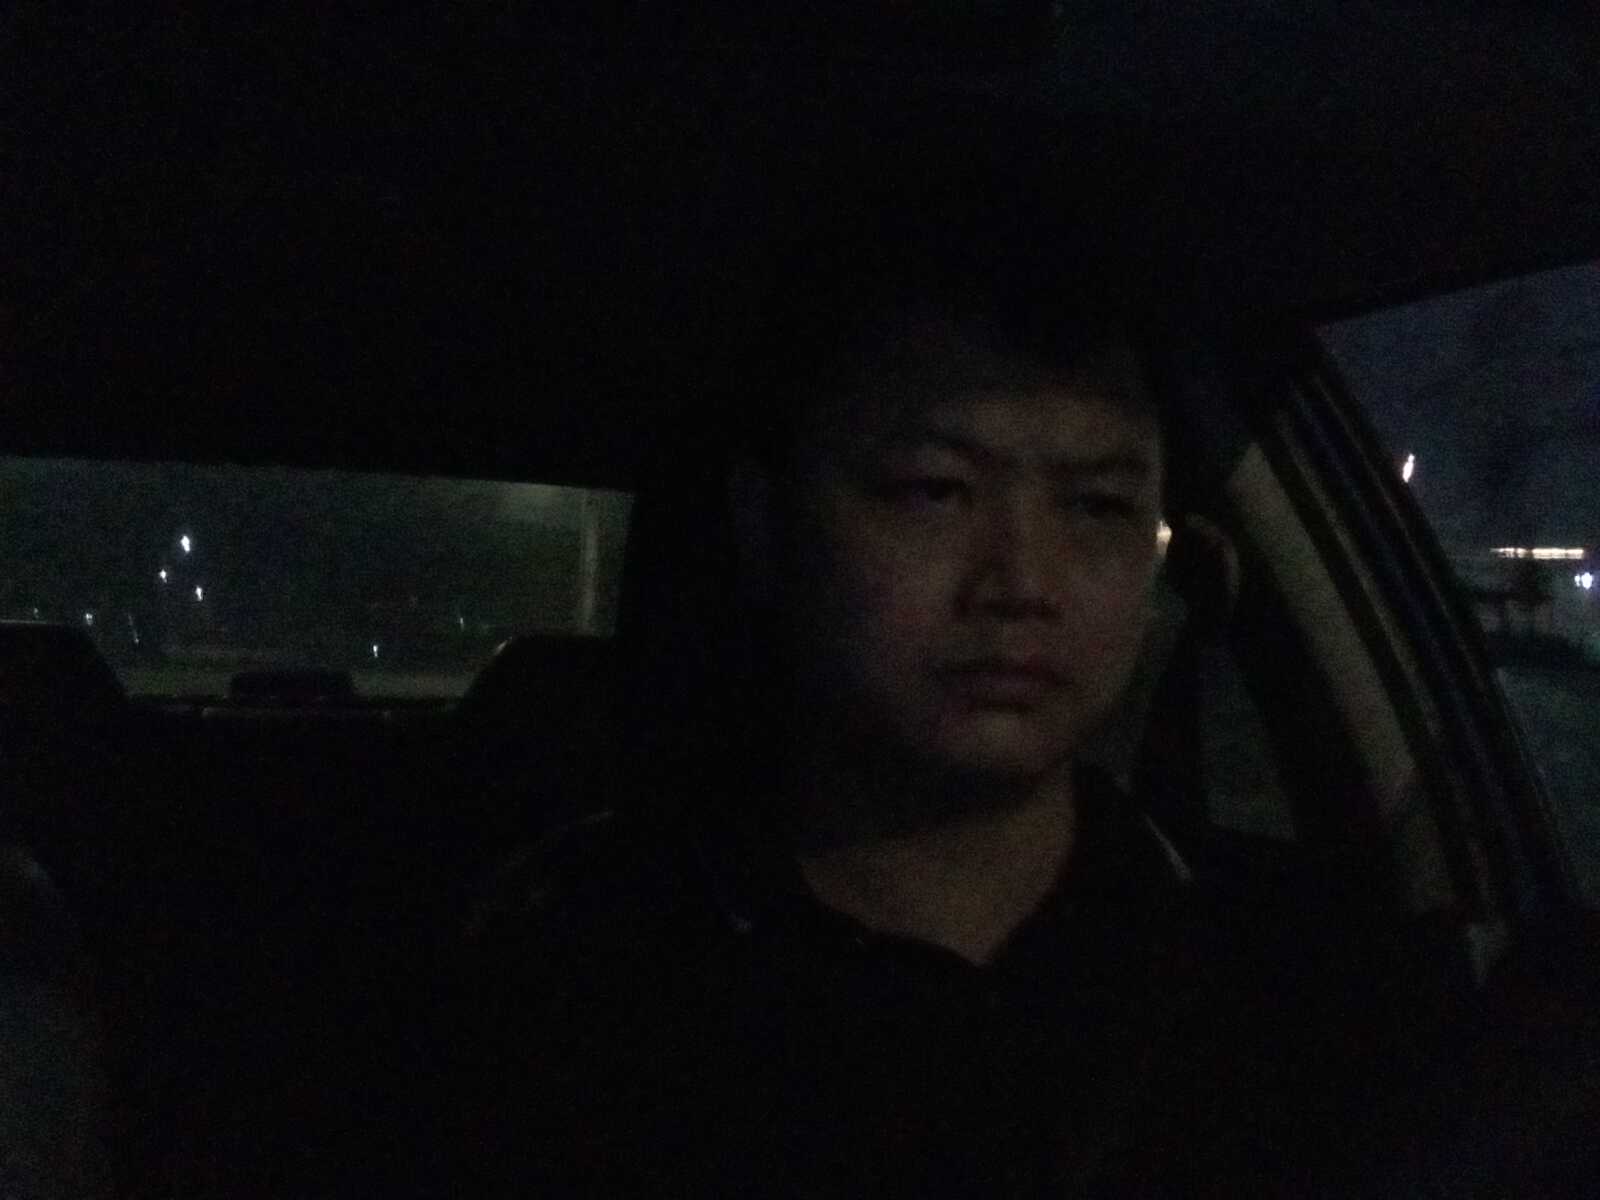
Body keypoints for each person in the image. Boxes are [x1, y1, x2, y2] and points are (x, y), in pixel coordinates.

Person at [445, 203, 1414, 1198]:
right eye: (934, 491)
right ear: (767, 527)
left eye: (1097, 506)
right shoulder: (568, 983)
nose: (1022, 583)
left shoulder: (1296, 980)